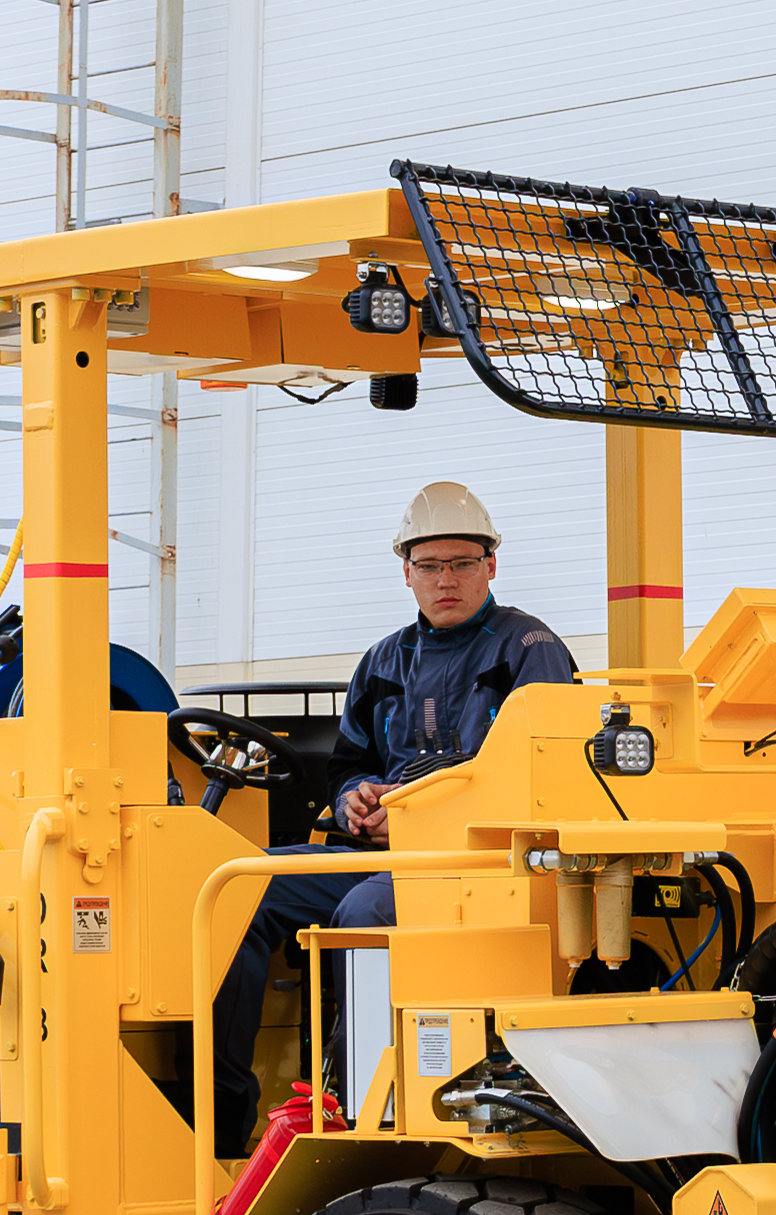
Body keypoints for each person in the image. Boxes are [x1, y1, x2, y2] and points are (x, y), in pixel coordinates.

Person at [206, 482, 583, 1153]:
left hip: (482, 866)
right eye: (430, 565)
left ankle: (359, 1115)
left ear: (491, 566)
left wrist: (417, 809)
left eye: (462, 563)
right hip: (391, 855)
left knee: (365, 909)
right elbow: (350, 762)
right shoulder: (384, 662)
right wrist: (354, 796)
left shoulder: (529, 649)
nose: (447, 579)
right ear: (405, 571)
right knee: (236, 888)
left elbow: (544, 778)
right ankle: (222, 1120)